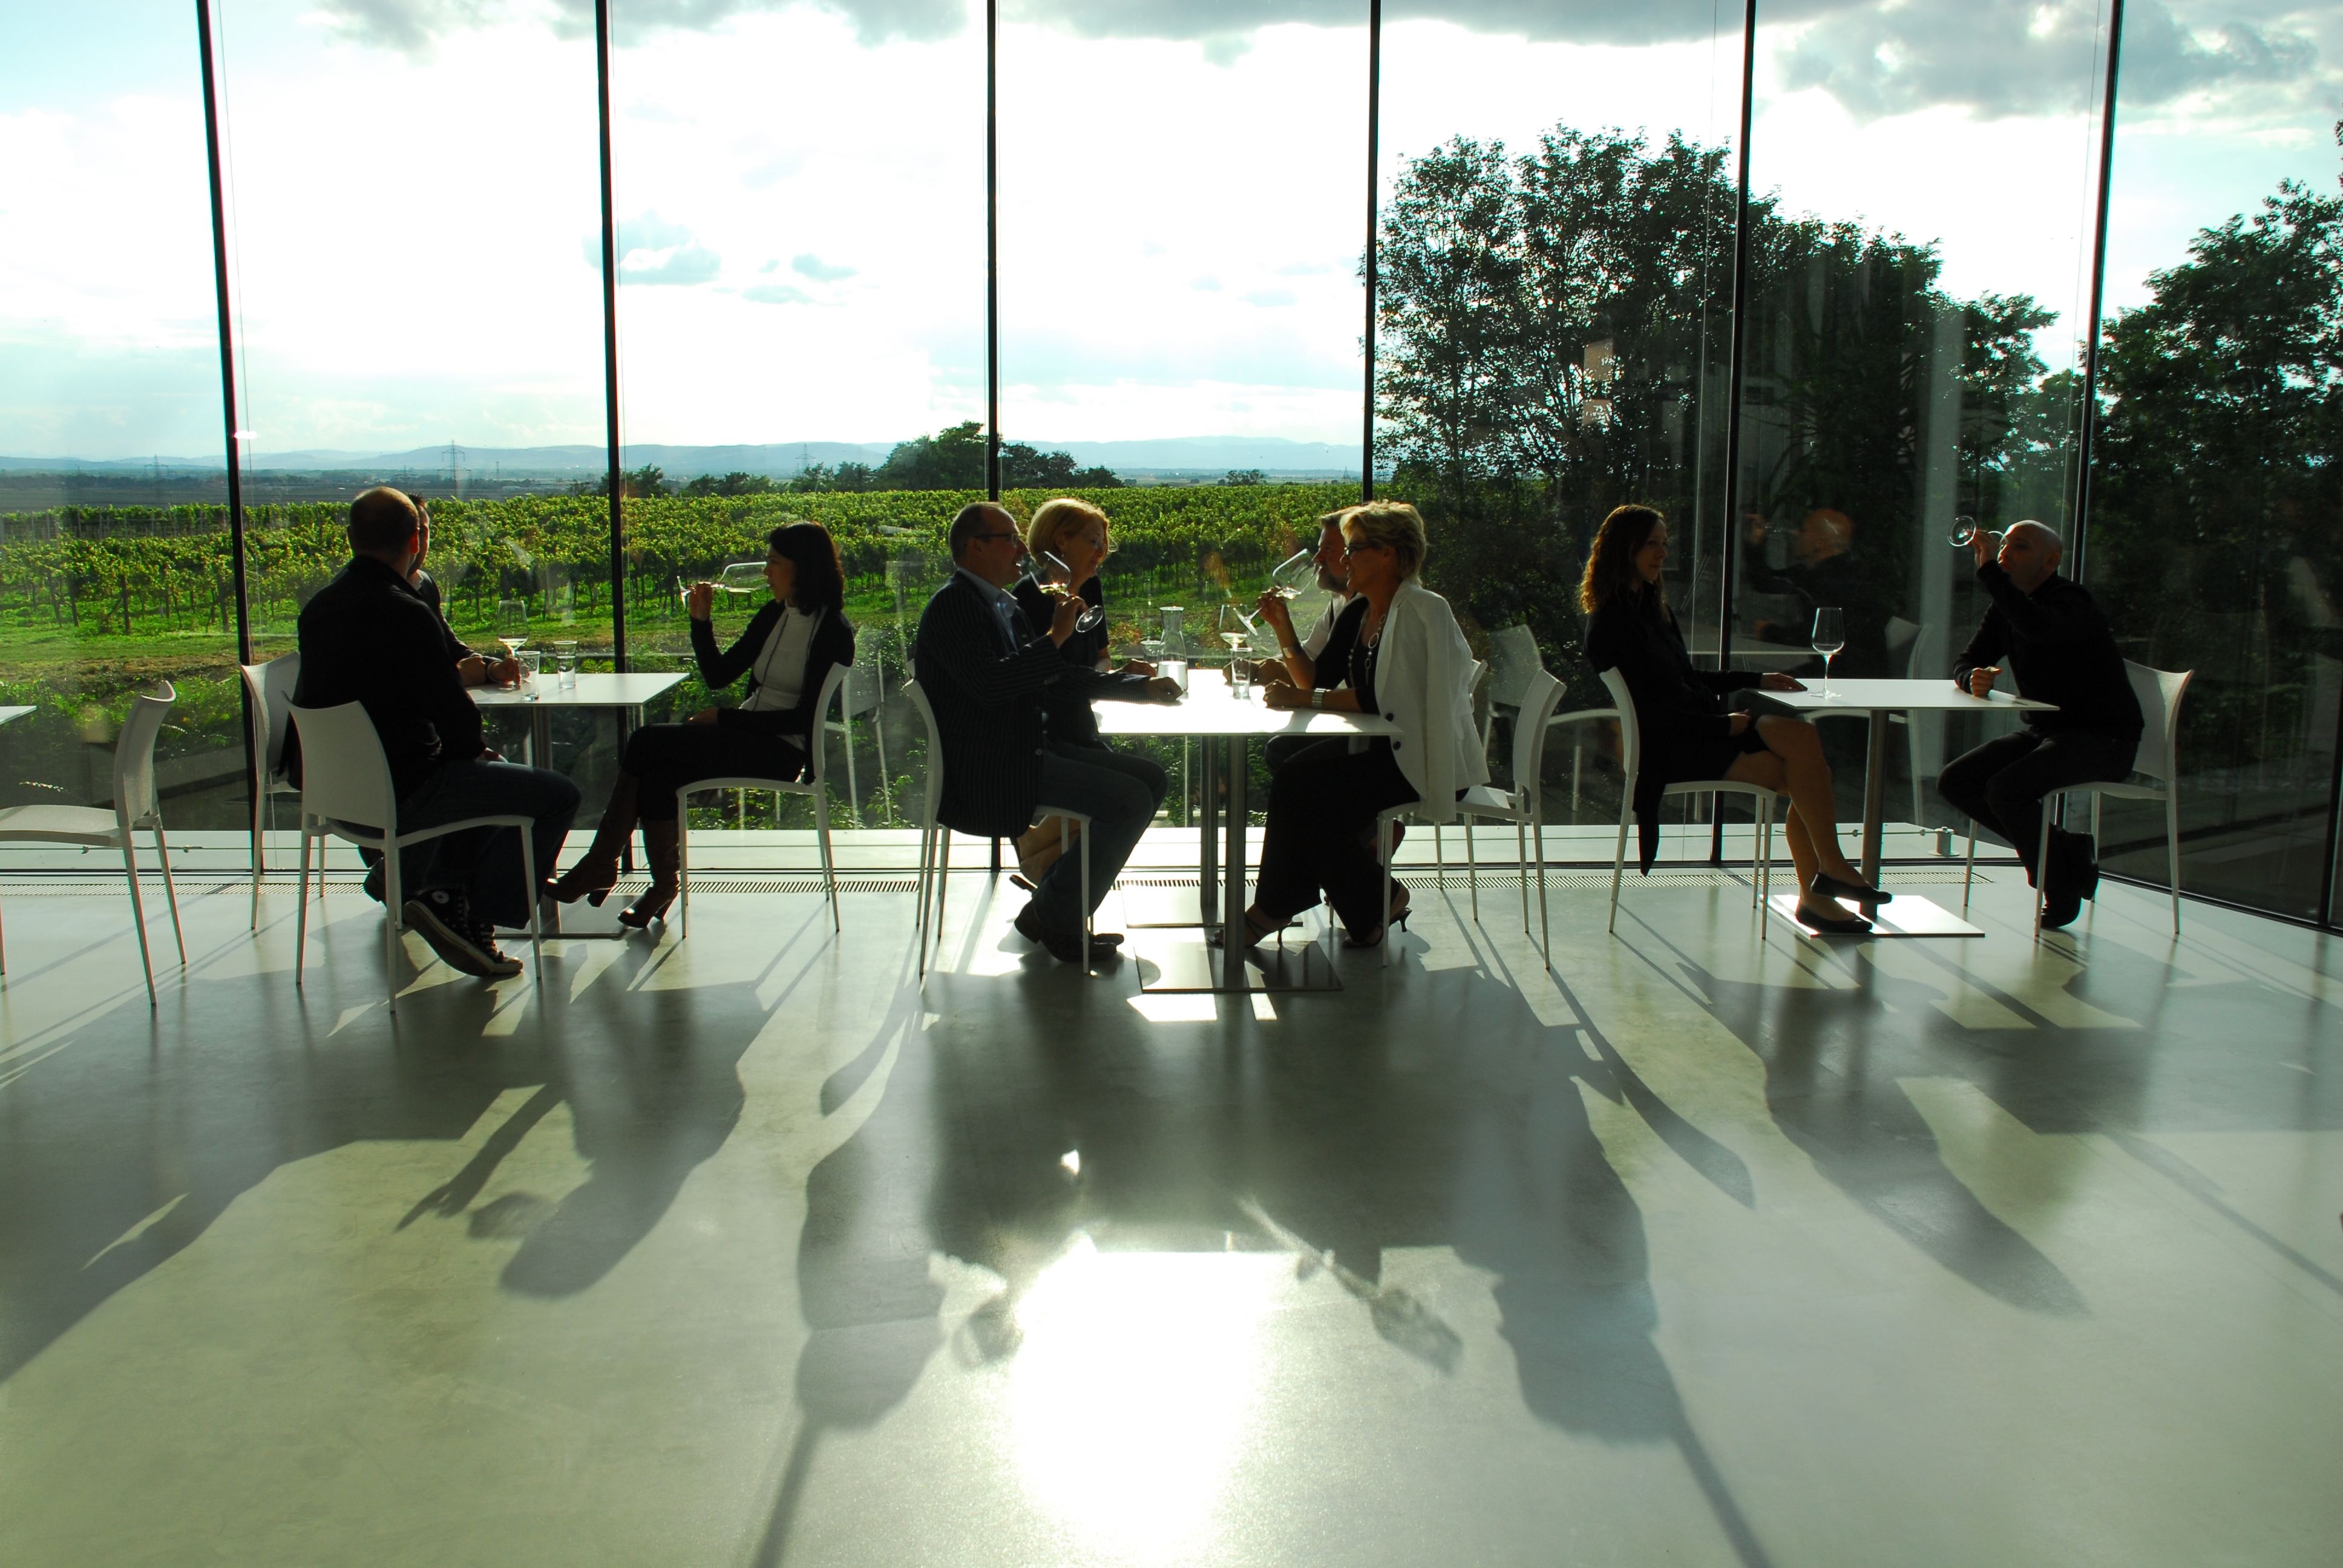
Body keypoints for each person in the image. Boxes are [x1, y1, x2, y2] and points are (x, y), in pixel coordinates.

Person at [292, 486, 580, 978]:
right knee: (552, 796)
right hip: (403, 790)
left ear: (350, 538)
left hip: (336, 793)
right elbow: (453, 715)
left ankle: (416, 879)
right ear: (414, 541)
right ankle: (468, 917)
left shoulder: (319, 608)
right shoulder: (404, 611)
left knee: (489, 779)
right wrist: (477, 752)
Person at [1581, 503, 1889, 934]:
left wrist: (1757, 677)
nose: (1662, 553)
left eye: (1664, 544)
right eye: (1652, 544)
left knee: (1805, 749)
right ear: (1624, 547)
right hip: (1671, 746)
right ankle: (1822, 890)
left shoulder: (1650, 606)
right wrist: (1723, 726)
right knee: (1804, 771)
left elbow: (1687, 677)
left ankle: (1828, 879)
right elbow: (1650, 710)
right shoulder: (1613, 619)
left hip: (1697, 731)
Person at [549, 522, 857, 926]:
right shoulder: (774, 615)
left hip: (782, 751)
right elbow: (719, 674)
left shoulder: (833, 630)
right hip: (749, 734)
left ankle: (600, 863)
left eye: (774, 562)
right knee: (659, 772)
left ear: (803, 568)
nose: (766, 571)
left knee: (646, 740)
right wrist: (701, 622)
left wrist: (725, 718)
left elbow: (805, 716)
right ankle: (657, 883)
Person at [916, 501, 1177, 967]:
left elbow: (1051, 679)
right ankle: (1055, 916)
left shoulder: (998, 604)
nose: (1021, 549)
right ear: (975, 547)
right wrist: (1054, 637)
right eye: (1009, 539)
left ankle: (1049, 911)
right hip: (995, 765)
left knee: (1152, 778)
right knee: (1131, 800)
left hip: (1026, 749)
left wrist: (1137, 688)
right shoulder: (955, 604)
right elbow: (992, 687)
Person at [1232, 501, 1486, 949]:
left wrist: (1302, 699)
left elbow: (1387, 701)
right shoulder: (1358, 610)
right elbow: (1317, 678)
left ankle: (1274, 907)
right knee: (1306, 794)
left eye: (1353, 549)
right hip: (1382, 751)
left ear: (1388, 554)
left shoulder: (1423, 611)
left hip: (1422, 756)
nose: (1343, 560)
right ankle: (1375, 903)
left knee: (1298, 785)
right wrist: (1283, 628)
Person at [1936, 520, 2141, 929]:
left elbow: (2039, 628)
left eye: (2021, 547)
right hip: (2046, 732)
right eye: (2005, 545)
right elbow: (1966, 659)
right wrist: (1971, 678)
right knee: (1955, 782)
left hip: (2104, 738)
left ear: (2050, 561)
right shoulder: (2005, 607)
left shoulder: (2072, 602)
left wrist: (1991, 576)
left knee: (2005, 790)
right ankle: (2064, 849)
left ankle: (2058, 884)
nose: (2005, 553)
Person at [1008, 497, 1160, 884]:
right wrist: (1127, 685)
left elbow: (1100, 658)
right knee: (1131, 793)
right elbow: (1049, 680)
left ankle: (1037, 854)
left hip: (1079, 719)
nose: (1102, 552)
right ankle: (1047, 877)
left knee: (1141, 785)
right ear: (1062, 541)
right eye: (1094, 541)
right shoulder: (1031, 597)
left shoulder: (1089, 587)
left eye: (1104, 542)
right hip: (1046, 732)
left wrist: (1119, 673)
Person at [408, 502, 522, 688]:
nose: (416, 542)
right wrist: (455, 676)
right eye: (412, 532)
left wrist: (492, 669)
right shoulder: (369, 596)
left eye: (423, 533)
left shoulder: (425, 583)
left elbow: (451, 648)